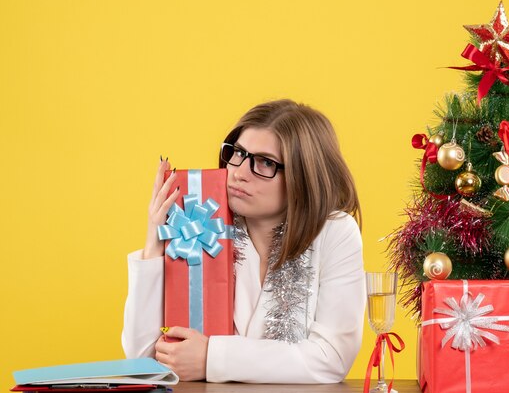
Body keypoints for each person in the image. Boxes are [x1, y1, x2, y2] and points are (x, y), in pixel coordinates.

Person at [122, 99, 366, 383]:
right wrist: (155, 238)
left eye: (265, 162)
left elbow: (331, 358)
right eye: (237, 153)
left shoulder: (335, 232)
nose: (238, 173)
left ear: (303, 175)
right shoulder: (201, 224)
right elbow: (142, 359)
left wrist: (211, 358)